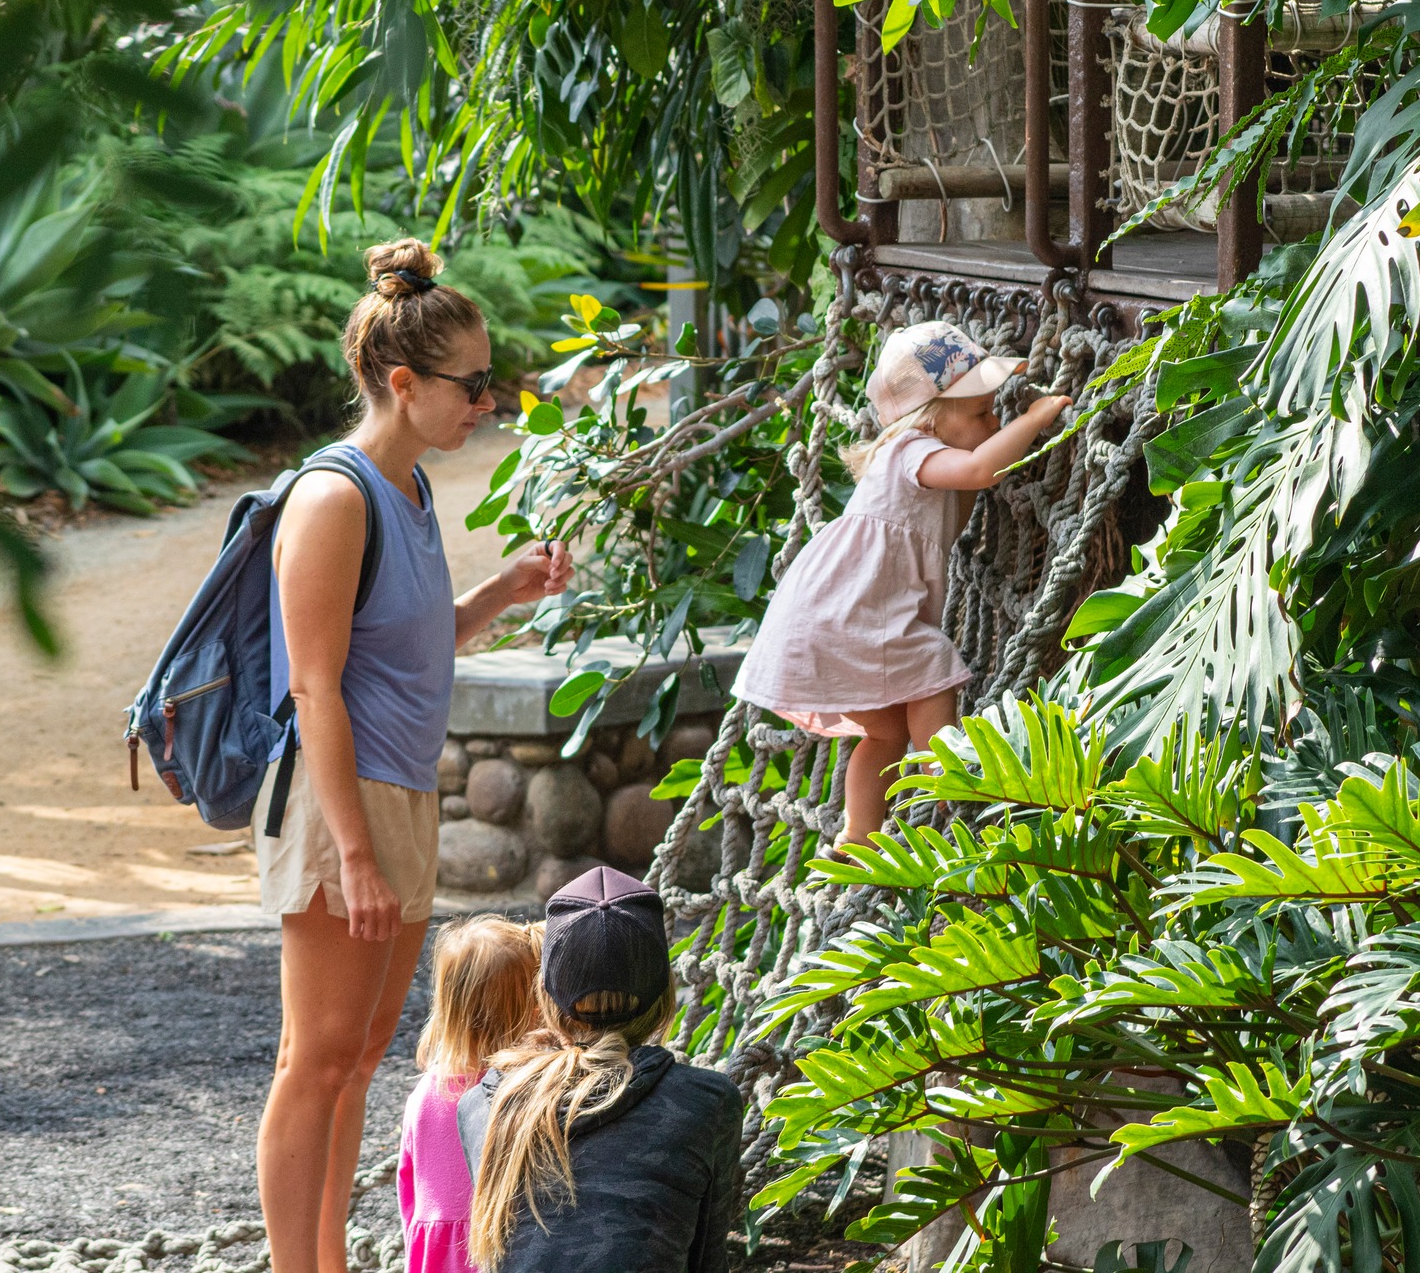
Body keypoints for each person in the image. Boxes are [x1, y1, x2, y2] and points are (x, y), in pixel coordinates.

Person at [257, 238, 573, 1273]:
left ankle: (329, 1261)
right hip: (336, 804)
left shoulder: (411, 493)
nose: (487, 402)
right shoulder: (333, 496)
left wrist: (500, 595)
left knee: (355, 1061)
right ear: (403, 382)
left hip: (398, 795)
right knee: (313, 1061)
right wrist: (351, 852)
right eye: (473, 384)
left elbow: (402, 647)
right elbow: (313, 687)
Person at [731, 321, 1071, 845]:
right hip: (849, 616)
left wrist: (998, 425)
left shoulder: (913, 456)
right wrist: (1034, 417)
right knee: (934, 664)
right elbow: (983, 467)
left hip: (839, 614)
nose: (993, 420)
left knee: (885, 732)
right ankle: (947, 776)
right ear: (928, 419)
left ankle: (859, 832)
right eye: (981, 412)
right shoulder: (910, 449)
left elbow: (976, 477)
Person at [457, 867, 742, 1273]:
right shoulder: (707, 1104)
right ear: (664, 993)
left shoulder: (482, 1105)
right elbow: (706, 1262)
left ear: (545, 995)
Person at [398, 916, 544, 1273]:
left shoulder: (425, 1093)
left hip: (439, 1255)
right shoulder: (523, 1090)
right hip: (502, 1251)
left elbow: (408, 1186)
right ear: (532, 1007)